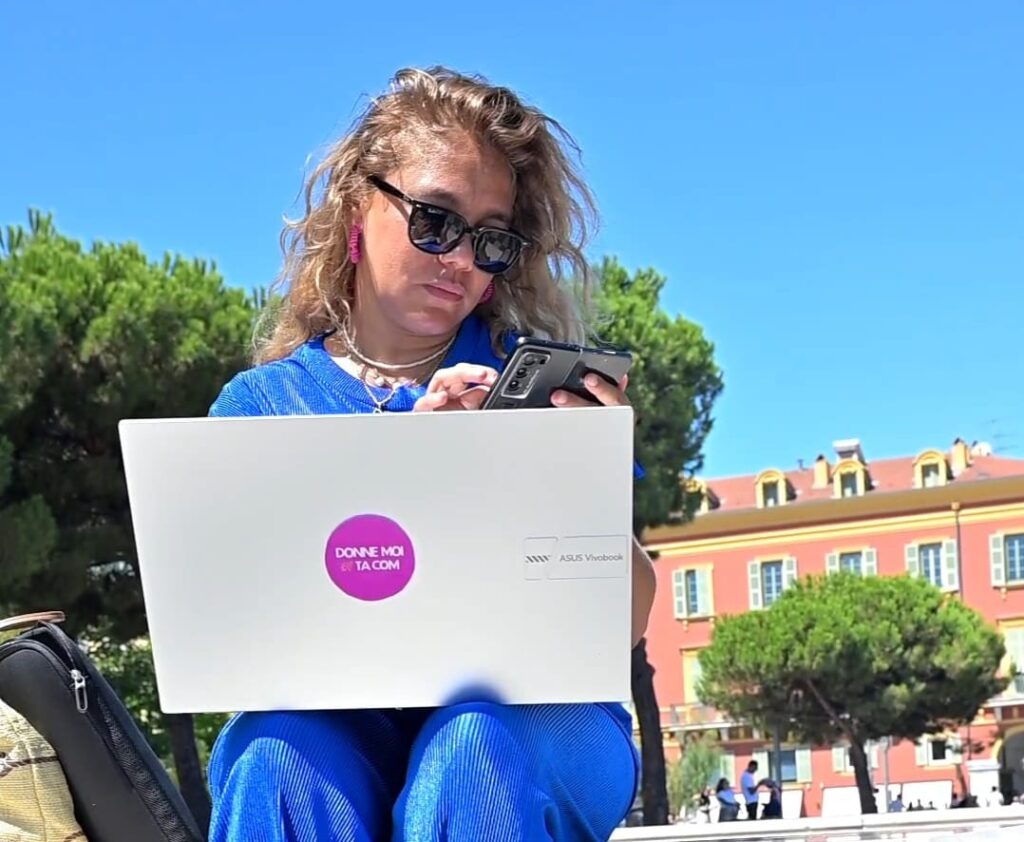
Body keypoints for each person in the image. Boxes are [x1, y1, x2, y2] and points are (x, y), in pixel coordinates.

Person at [204, 66, 656, 842]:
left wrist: (566, 480)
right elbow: (229, 643)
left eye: (491, 239)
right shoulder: (262, 408)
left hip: (532, 718)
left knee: (470, 747)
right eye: (435, 221)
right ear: (357, 203)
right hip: (339, 729)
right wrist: (410, 470)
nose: (461, 260)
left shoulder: (537, 392)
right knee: (273, 758)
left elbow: (627, 621)